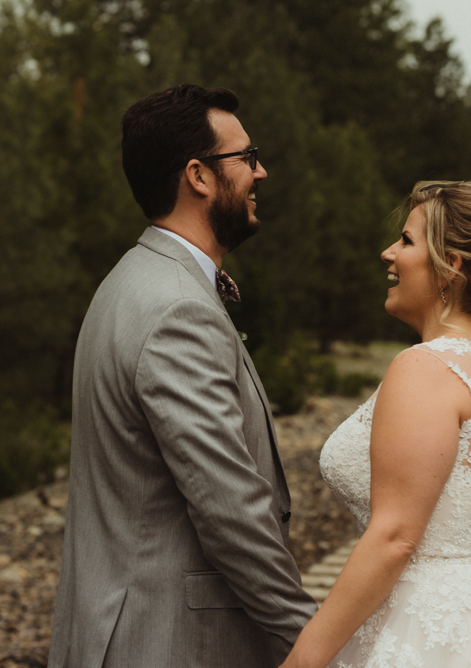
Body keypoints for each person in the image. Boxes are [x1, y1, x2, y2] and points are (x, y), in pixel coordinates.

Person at [48, 84, 316, 668]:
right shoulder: (177, 308)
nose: (261, 172)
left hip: (126, 626)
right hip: (165, 640)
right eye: (246, 158)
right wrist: (313, 642)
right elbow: (230, 508)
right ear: (198, 175)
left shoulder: (131, 280)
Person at [280, 179, 471, 668]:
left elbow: (395, 538)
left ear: (449, 266)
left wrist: (300, 664)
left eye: (407, 241)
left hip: (425, 636)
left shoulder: (427, 368)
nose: (388, 253)